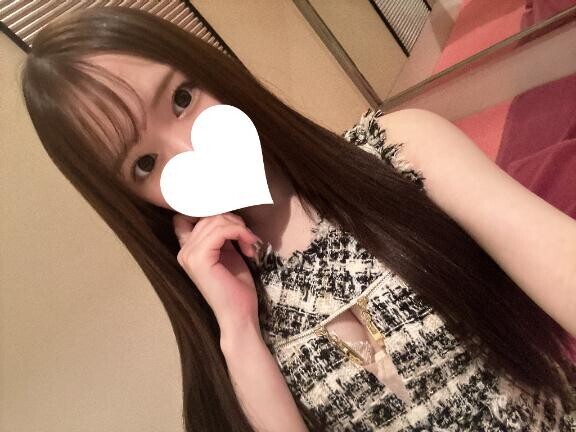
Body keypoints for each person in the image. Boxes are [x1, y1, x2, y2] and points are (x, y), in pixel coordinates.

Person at [20, 6, 576, 432]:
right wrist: (239, 333)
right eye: (144, 163)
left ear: (212, 71)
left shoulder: (397, 149)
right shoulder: (221, 309)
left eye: (183, 97)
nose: (191, 150)